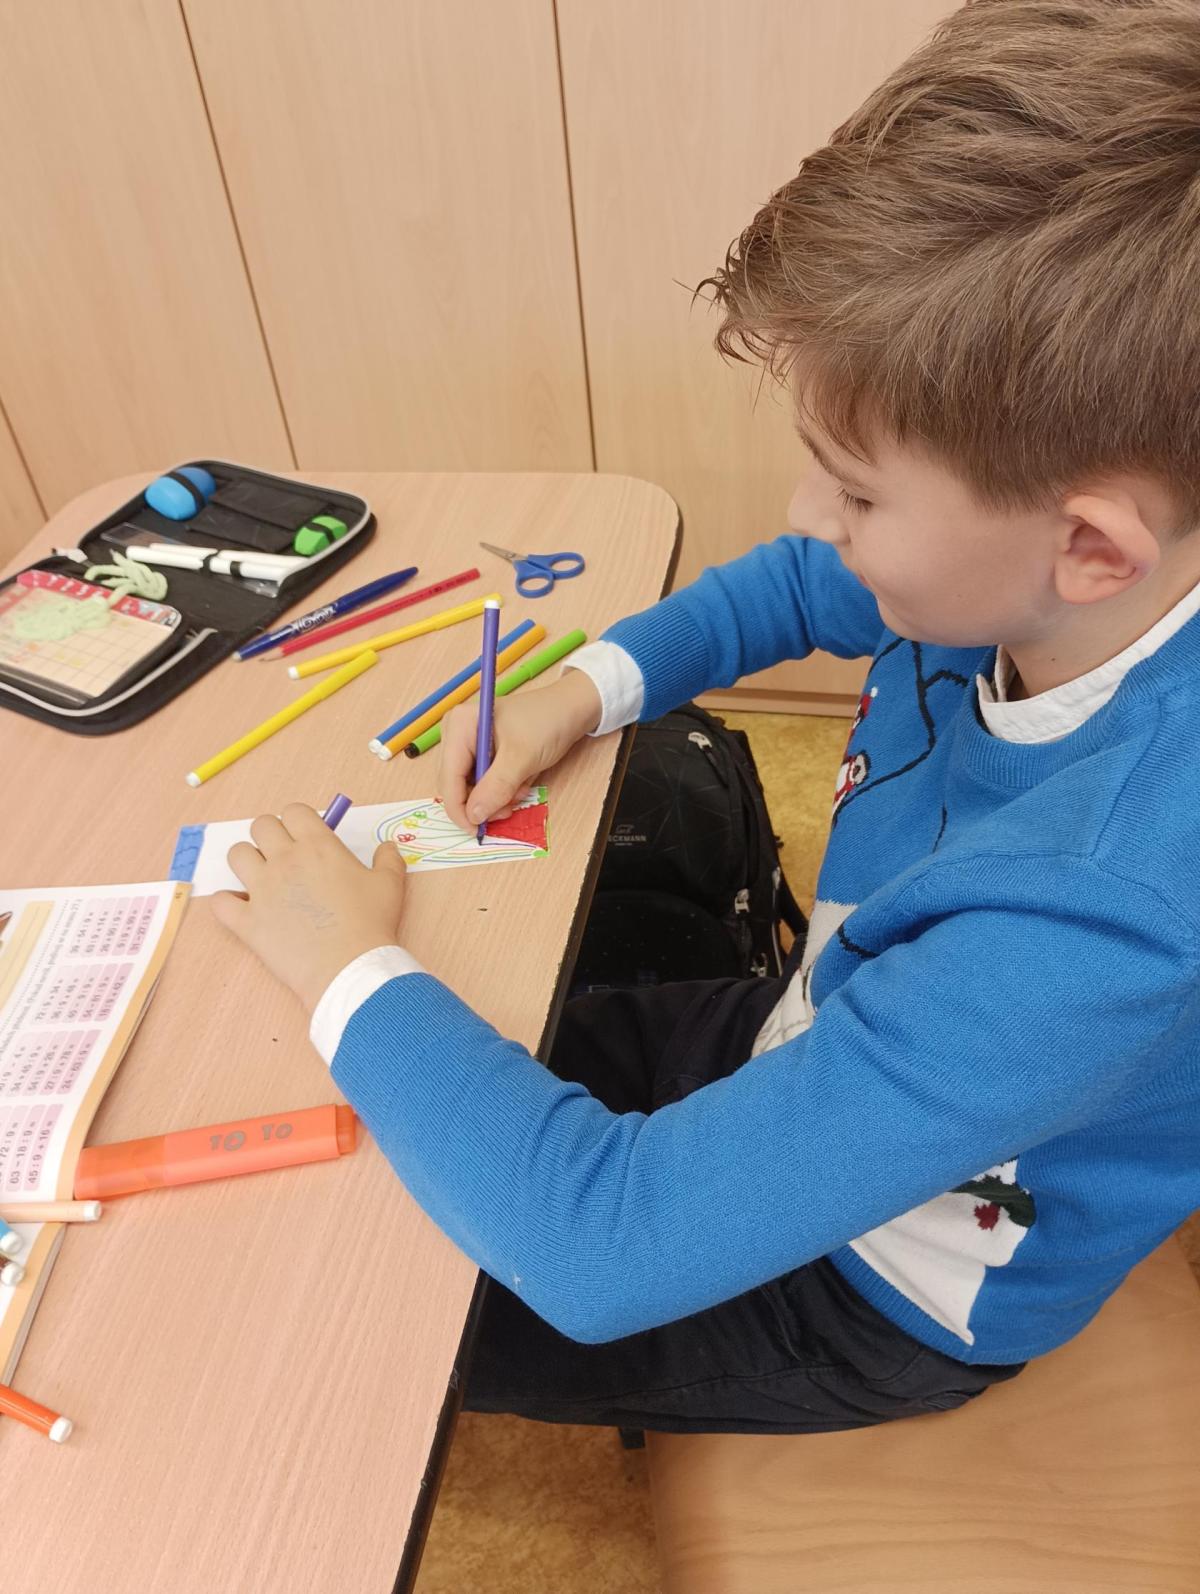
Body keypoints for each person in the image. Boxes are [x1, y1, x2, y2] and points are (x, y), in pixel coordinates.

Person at [213, 0, 1200, 1434]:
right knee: (414, 1088)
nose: (812, 515)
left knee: (344, 1298)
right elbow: (800, 586)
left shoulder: (1107, 915)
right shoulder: (1053, 572)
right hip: (819, 1030)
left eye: (856, 491)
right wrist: (583, 687)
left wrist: (345, 965)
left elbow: (598, 1247)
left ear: (1093, 546)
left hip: (875, 1294)